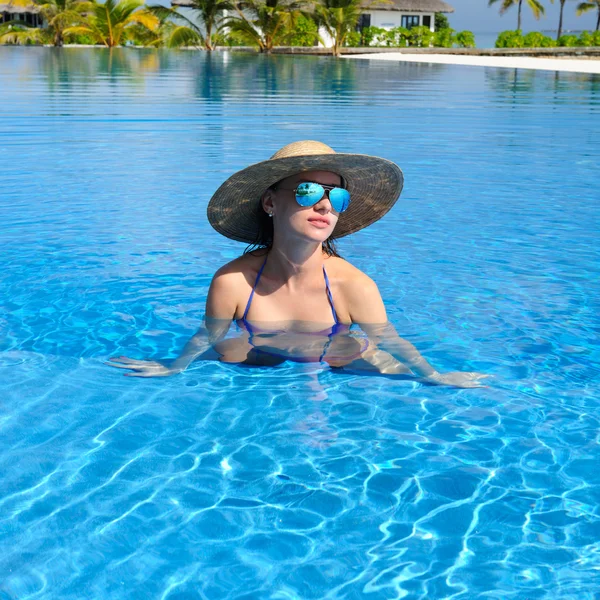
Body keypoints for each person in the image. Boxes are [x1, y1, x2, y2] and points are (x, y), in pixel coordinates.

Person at [109, 141, 488, 388]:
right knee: (226, 355)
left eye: (336, 196)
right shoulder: (232, 282)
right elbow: (209, 336)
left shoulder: (354, 286)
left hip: (337, 356)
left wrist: (435, 376)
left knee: (381, 367)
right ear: (270, 203)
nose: (324, 205)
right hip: (258, 354)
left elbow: (389, 339)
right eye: (308, 191)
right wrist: (173, 368)